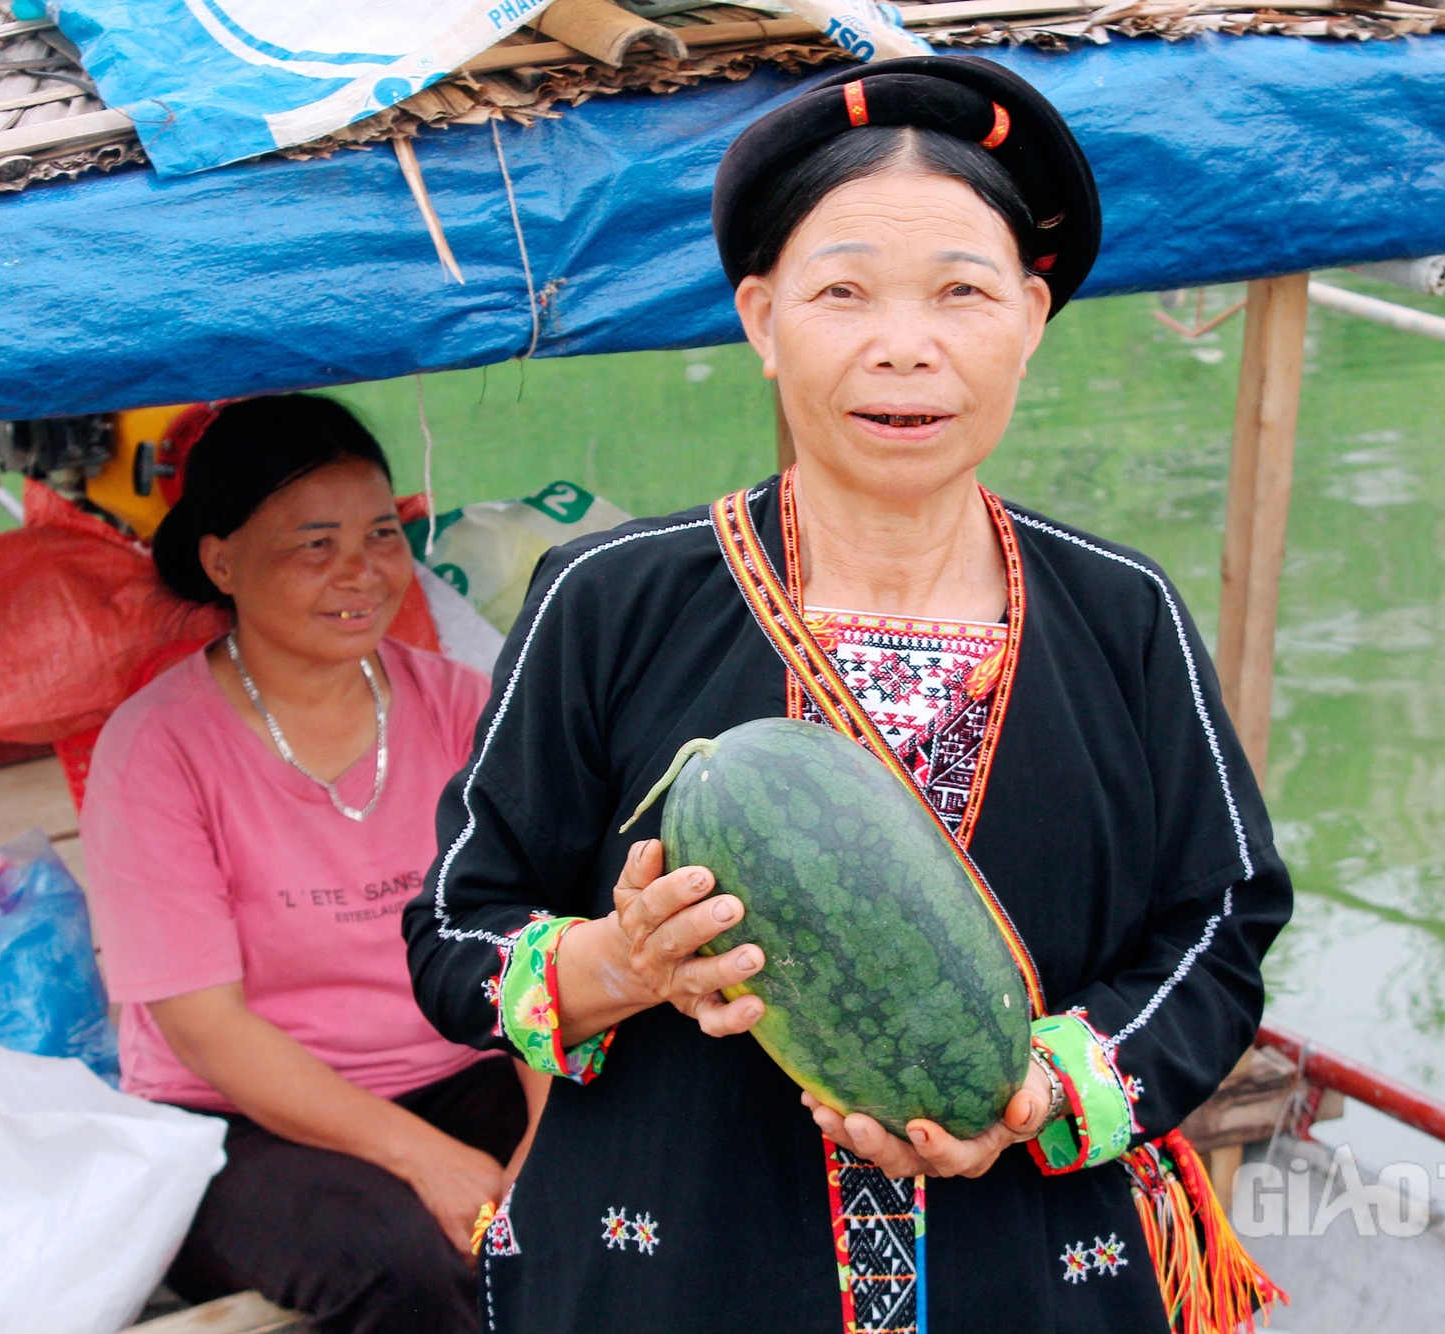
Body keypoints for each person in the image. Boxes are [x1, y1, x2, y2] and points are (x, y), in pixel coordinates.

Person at [403, 56, 1291, 1333]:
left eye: (960, 293)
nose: (903, 346)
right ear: (763, 321)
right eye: (841, 292)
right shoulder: (606, 597)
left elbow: (1218, 923)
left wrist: (1040, 1085)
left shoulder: (1121, 612)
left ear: (1029, 318)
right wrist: (624, 958)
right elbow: (451, 932)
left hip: (1031, 1280)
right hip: (681, 1275)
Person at [81, 394, 546, 1333]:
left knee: (624, 1190)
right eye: (314, 543)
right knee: (412, 1264)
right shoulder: (157, 749)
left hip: (470, 1066)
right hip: (243, 1124)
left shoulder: (464, 706)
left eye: (381, 534)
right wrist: (425, 1159)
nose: (362, 572)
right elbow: (206, 1029)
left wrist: (546, 1135)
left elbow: (530, 943)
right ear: (222, 559)